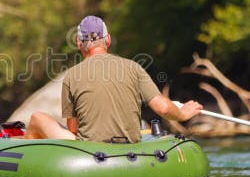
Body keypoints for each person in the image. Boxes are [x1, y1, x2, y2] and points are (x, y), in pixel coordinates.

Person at [23, 15, 202, 142]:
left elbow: (73, 129)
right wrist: (183, 113)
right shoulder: (134, 67)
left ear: (79, 44)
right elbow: (163, 108)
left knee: (38, 118)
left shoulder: (72, 76)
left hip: (90, 150)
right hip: (128, 144)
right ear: (107, 40)